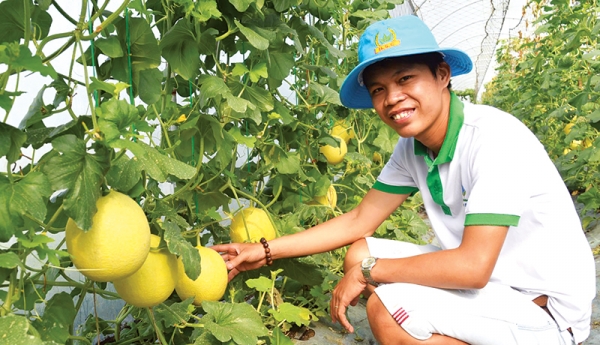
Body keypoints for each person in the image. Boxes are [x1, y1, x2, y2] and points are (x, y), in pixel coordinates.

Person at [211, 15, 596, 345]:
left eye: (405, 79)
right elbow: (359, 219)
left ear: (442, 75)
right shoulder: (412, 149)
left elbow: (473, 268)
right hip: (494, 283)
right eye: (379, 89)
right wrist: (262, 251)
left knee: (387, 309)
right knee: (359, 251)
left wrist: (368, 273)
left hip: (544, 308)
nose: (392, 98)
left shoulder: (492, 138)